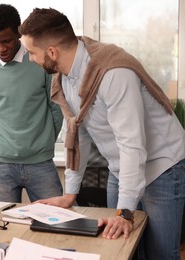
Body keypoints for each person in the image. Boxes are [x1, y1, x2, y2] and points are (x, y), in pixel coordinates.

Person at [19, 7, 185, 260]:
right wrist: (69, 195)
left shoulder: (113, 72)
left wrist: (124, 212)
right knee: (119, 248)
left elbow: (132, 144)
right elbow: (79, 134)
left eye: (32, 53)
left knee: (159, 254)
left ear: (52, 52)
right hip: (121, 169)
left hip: (161, 167)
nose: (30, 59)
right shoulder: (65, 79)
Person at [0, 4, 64, 203]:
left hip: (40, 161)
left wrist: (43, 142)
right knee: (2, 224)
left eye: (6, 41)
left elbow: (56, 108)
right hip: (0, 163)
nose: (0, 48)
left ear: (19, 33)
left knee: (58, 220)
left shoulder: (40, 62)